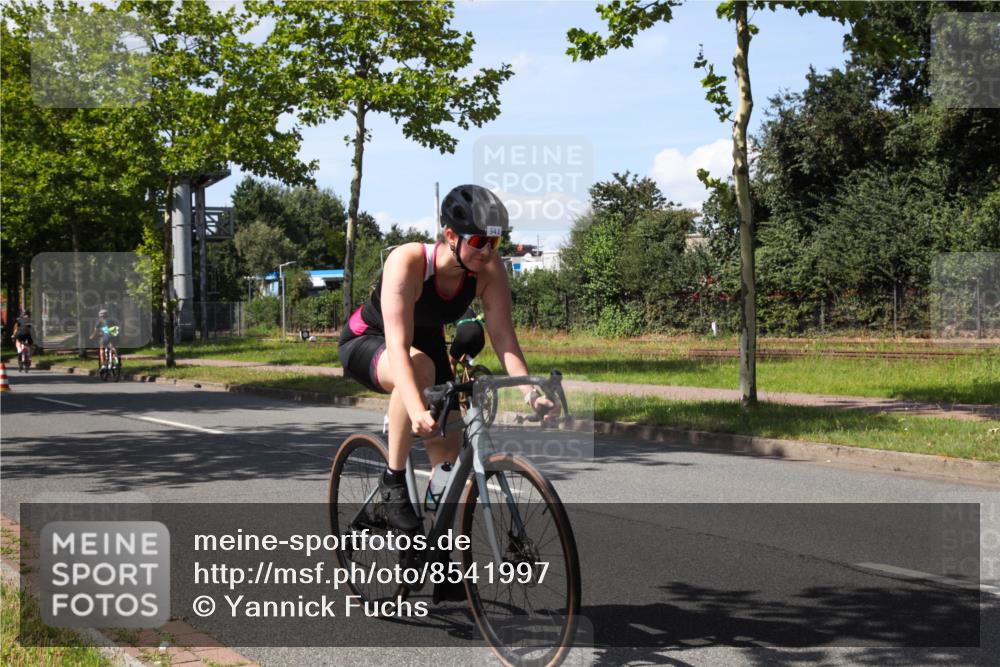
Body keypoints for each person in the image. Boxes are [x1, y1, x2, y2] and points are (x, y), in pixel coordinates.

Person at [339, 184, 559, 533]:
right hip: (370, 339)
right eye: (478, 241)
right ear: (451, 235)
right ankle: (393, 481)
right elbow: (398, 346)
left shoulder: (489, 270)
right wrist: (416, 410)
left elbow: (504, 339)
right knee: (418, 368)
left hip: (426, 345)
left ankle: (434, 549)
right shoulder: (408, 261)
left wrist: (531, 394)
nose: (487, 251)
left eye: (495, 242)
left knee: (447, 461)